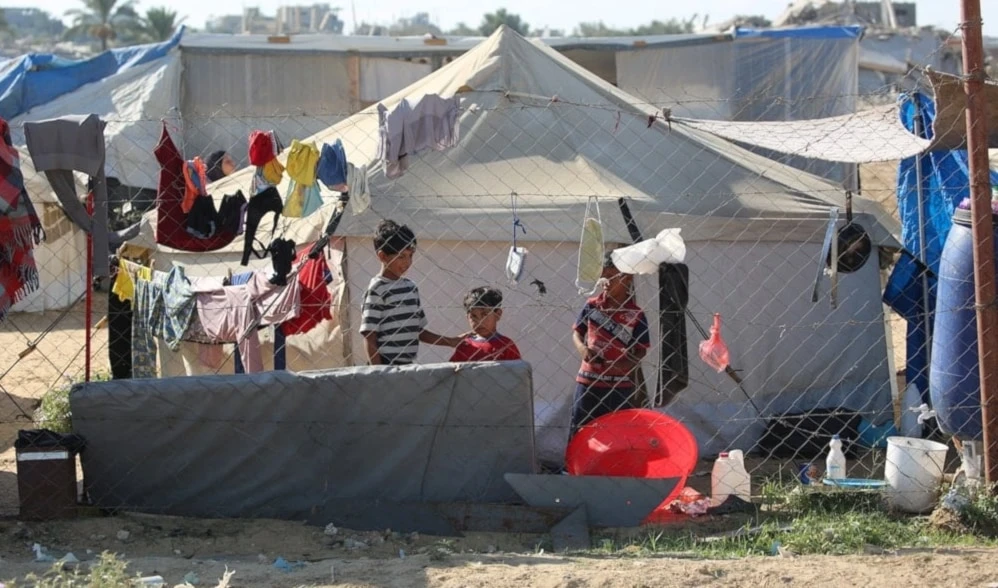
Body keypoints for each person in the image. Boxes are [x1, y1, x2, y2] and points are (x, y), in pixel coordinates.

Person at [360, 219, 463, 365]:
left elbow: (418, 331)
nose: (407, 262)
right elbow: (369, 335)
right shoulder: (377, 289)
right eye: (401, 256)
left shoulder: (411, 288)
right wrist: (379, 372)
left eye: (410, 255)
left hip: (408, 365)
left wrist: (451, 341)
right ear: (383, 256)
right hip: (385, 365)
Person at [570, 251, 650, 435]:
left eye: (611, 276)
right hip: (588, 382)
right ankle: (575, 464)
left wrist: (625, 365)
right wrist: (583, 349)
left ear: (627, 278)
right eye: (603, 276)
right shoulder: (591, 305)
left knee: (616, 433)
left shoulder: (636, 314)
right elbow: (577, 332)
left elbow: (641, 349)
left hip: (619, 386)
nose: (605, 281)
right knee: (580, 430)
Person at [450, 286, 522, 362]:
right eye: (473, 316)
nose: (479, 321)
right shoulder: (464, 345)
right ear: (467, 317)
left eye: (484, 314)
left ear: (498, 314)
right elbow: (453, 371)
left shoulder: (506, 345)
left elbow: (517, 371)